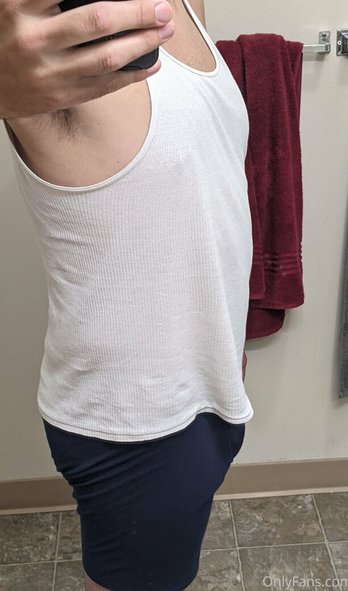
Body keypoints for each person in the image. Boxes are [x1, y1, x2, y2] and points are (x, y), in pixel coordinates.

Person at [2, 0, 253, 589]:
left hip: (210, 383)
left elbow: (202, 185)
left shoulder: (185, 6)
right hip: (135, 422)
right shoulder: (30, 27)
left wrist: (225, 345)